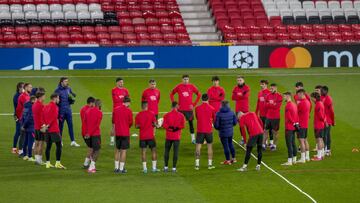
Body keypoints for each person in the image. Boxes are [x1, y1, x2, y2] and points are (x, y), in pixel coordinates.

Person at [170, 74, 201, 144]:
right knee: (177, 124)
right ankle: (176, 138)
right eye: (184, 79)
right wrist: (175, 104)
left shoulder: (192, 86)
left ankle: (193, 139)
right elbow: (171, 94)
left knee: (191, 125)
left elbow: (199, 94)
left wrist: (194, 104)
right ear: (182, 80)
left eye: (187, 79)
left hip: (189, 110)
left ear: (189, 80)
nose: (186, 81)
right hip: (180, 110)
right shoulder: (179, 86)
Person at [42, 93, 66, 169]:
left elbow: (42, 116)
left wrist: (45, 125)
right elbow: (54, 117)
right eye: (58, 98)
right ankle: (57, 163)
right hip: (54, 129)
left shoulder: (45, 106)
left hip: (47, 130)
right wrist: (48, 124)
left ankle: (48, 163)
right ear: (55, 98)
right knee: (59, 146)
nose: (59, 100)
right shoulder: (55, 107)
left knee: (48, 147)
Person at [55, 77, 80, 147]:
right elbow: (55, 102)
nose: (67, 82)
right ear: (61, 82)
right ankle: (60, 141)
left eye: (67, 81)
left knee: (70, 125)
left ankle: (73, 141)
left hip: (68, 110)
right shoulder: (57, 90)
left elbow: (72, 96)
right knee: (60, 127)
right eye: (65, 81)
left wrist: (72, 100)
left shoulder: (69, 88)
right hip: (61, 111)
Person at [135, 101, 160, 173]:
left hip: (142, 137)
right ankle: (154, 168)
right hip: (150, 136)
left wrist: (142, 125)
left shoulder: (138, 115)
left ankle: (145, 169)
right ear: (147, 106)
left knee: (143, 152)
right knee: (153, 151)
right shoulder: (152, 113)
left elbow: (136, 126)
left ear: (141, 106)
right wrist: (155, 125)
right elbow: (155, 124)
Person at [194, 94, 216, 170]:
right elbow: (214, 118)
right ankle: (209, 165)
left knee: (198, 147)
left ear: (201, 99)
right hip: (208, 130)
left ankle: (197, 165)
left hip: (200, 130)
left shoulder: (197, 108)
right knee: (209, 147)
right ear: (208, 99)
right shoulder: (212, 108)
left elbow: (197, 117)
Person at [162, 102, 185, 172]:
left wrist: (170, 129)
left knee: (166, 151)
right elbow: (183, 126)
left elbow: (164, 125)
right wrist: (176, 128)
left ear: (171, 106)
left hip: (169, 136)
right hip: (176, 137)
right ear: (176, 106)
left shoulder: (166, 115)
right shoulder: (181, 115)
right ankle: (174, 168)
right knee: (175, 152)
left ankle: (165, 167)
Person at [112, 96, 133, 174]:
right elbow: (130, 123)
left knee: (117, 150)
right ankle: (121, 169)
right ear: (128, 103)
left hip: (117, 133)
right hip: (125, 133)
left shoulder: (116, 109)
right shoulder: (129, 111)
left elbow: (113, 121)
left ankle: (116, 168)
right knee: (123, 151)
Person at [214, 101, 237, 165]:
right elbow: (235, 123)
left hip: (223, 132)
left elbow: (216, 125)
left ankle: (228, 160)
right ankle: (234, 158)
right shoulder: (232, 112)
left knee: (225, 146)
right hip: (230, 132)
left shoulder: (218, 114)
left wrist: (219, 129)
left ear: (221, 105)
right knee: (230, 144)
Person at [84, 99, 103, 173]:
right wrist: (90, 133)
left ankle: (91, 166)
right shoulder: (99, 113)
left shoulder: (87, 111)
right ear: (99, 105)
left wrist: (87, 133)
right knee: (97, 150)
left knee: (92, 149)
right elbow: (96, 125)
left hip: (88, 134)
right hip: (95, 134)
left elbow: (84, 123)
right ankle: (91, 167)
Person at [231, 76, 250, 144]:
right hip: (238, 109)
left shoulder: (247, 87)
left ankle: (250, 137)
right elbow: (233, 97)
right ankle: (243, 138)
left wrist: (238, 95)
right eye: (238, 80)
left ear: (243, 81)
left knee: (248, 124)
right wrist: (241, 95)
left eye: (240, 80)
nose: (239, 81)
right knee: (240, 125)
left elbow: (246, 96)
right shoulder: (235, 88)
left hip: (245, 109)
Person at [282, 92, 299, 166]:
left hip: (289, 127)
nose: (284, 98)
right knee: (293, 143)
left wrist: (293, 123)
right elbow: (296, 115)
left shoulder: (288, 105)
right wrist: (296, 123)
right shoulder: (294, 104)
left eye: (284, 96)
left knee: (289, 144)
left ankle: (289, 161)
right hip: (294, 127)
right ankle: (294, 159)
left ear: (288, 96)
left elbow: (289, 117)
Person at [111, 77, 130, 146]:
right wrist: (123, 99)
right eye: (120, 82)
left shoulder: (126, 90)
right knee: (114, 126)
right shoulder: (114, 90)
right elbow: (115, 99)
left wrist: (123, 101)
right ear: (117, 83)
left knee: (125, 125)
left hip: (124, 111)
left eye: (122, 82)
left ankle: (125, 138)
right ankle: (112, 140)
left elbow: (128, 100)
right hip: (116, 111)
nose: (121, 83)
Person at [264, 83, 282, 151]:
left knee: (275, 132)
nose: (270, 90)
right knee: (265, 131)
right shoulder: (268, 95)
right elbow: (265, 105)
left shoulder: (279, 96)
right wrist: (272, 104)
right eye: (270, 88)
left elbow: (277, 106)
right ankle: (263, 144)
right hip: (268, 116)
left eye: (272, 88)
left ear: (276, 88)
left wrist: (270, 104)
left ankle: (274, 145)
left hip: (276, 117)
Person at [16, 83, 32, 156]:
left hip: (27, 118)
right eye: (29, 87)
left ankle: (24, 150)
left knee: (25, 135)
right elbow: (19, 109)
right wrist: (20, 119)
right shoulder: (22, 97)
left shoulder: (28, 96)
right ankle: (20, 151)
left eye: (31, 87)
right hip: (23, 119)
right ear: (25, 88)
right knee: (22, 135)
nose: (31, 88)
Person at [255, 80, 273, 147]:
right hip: (261, 114)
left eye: (262, 84)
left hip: (268, 114)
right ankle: (265, 142)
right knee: (262, 128)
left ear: (266, 85)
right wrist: (256, 112)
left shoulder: (269, 93)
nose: (261, 85)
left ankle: (271, 142)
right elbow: (258, 103)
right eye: (261, 84)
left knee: (269, 129)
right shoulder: (260, 93)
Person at [80, 97, 96, 169]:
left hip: (84, 131)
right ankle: (87, 164)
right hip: (88, 132)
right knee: (92, 148)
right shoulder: (89, 110)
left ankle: (87, 163)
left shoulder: (82, 109)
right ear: (91, 103)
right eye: (94, 103)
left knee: (91, 147)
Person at [296, 89, 311, 163]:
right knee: (305, 140)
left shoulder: (302, 103)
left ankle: (302, 158)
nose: (297, 96)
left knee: (301, 141)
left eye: (298, 94)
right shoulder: (308, 102)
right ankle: (307, 157)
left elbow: (297, 112)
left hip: (301, 124)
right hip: (305, 124)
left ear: (302, 93)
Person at [311, 92, 327, 161]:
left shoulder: (318, 104)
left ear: (314, 98)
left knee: (319, 140)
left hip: (318, 125)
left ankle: (319, 157)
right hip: (320, 125)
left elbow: (320, 116)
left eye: (312, 98)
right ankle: (322, 154)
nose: (311, 99)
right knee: (321, 139)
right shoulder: (320, 103)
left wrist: (323, 120)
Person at [21, 96, 36, 162]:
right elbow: (29, 118)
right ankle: (30, 156)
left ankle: (25, 155)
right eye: (35, 100)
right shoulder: (32, 108)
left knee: (25, 141)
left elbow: (22, 117)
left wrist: (23, 125)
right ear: (32, 100)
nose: (36, 102)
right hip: (31, 127)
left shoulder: (25, 107)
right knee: (30, 142)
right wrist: (24, 126)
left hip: (26, 127)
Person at [33, 90, 46, 165]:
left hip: (36, 126)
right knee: (41, 144)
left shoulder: (34, 104)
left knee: (36, 143)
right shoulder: (40, 105)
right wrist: (43, 126)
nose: (45, 97)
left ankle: (36, 159)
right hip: (40, 127)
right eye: (44, 96)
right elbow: (41, 117)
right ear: (41, 97)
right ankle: (39, 161)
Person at [321, 86, 335, 156]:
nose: (321, 92)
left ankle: (327, 150)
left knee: (326, 135)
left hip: (327, 120)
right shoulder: (322, 97)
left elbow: (331, 111)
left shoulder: (328, 99)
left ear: (326, 91)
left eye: (322, 91)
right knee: (326, 135)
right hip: (323, 119)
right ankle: (327, 150)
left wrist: (333, 121)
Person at [12, 82, 24, 154]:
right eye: (23, 87)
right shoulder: (16, 96)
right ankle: (14, 148)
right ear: (19, 88)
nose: (24, 88)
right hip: (18, 116)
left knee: (23, 132)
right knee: (18, 132)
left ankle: (22, 148)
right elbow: (19, 107)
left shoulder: (22, 95)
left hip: (22, 115)